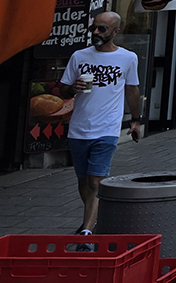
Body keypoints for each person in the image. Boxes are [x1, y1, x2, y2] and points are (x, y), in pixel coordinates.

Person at [59, 12, 141, 235]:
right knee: (83, 181)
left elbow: (132, 90)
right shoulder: (79, 56)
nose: (95, 32)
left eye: (102, 29)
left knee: (96, 182)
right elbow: (62, 89)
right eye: (94, 27)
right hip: (78, 128)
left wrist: (135, 120)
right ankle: (92, 218)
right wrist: (71, 88)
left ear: (116, 32)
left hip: (107, 129)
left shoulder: (127, 58)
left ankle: (86, 232)